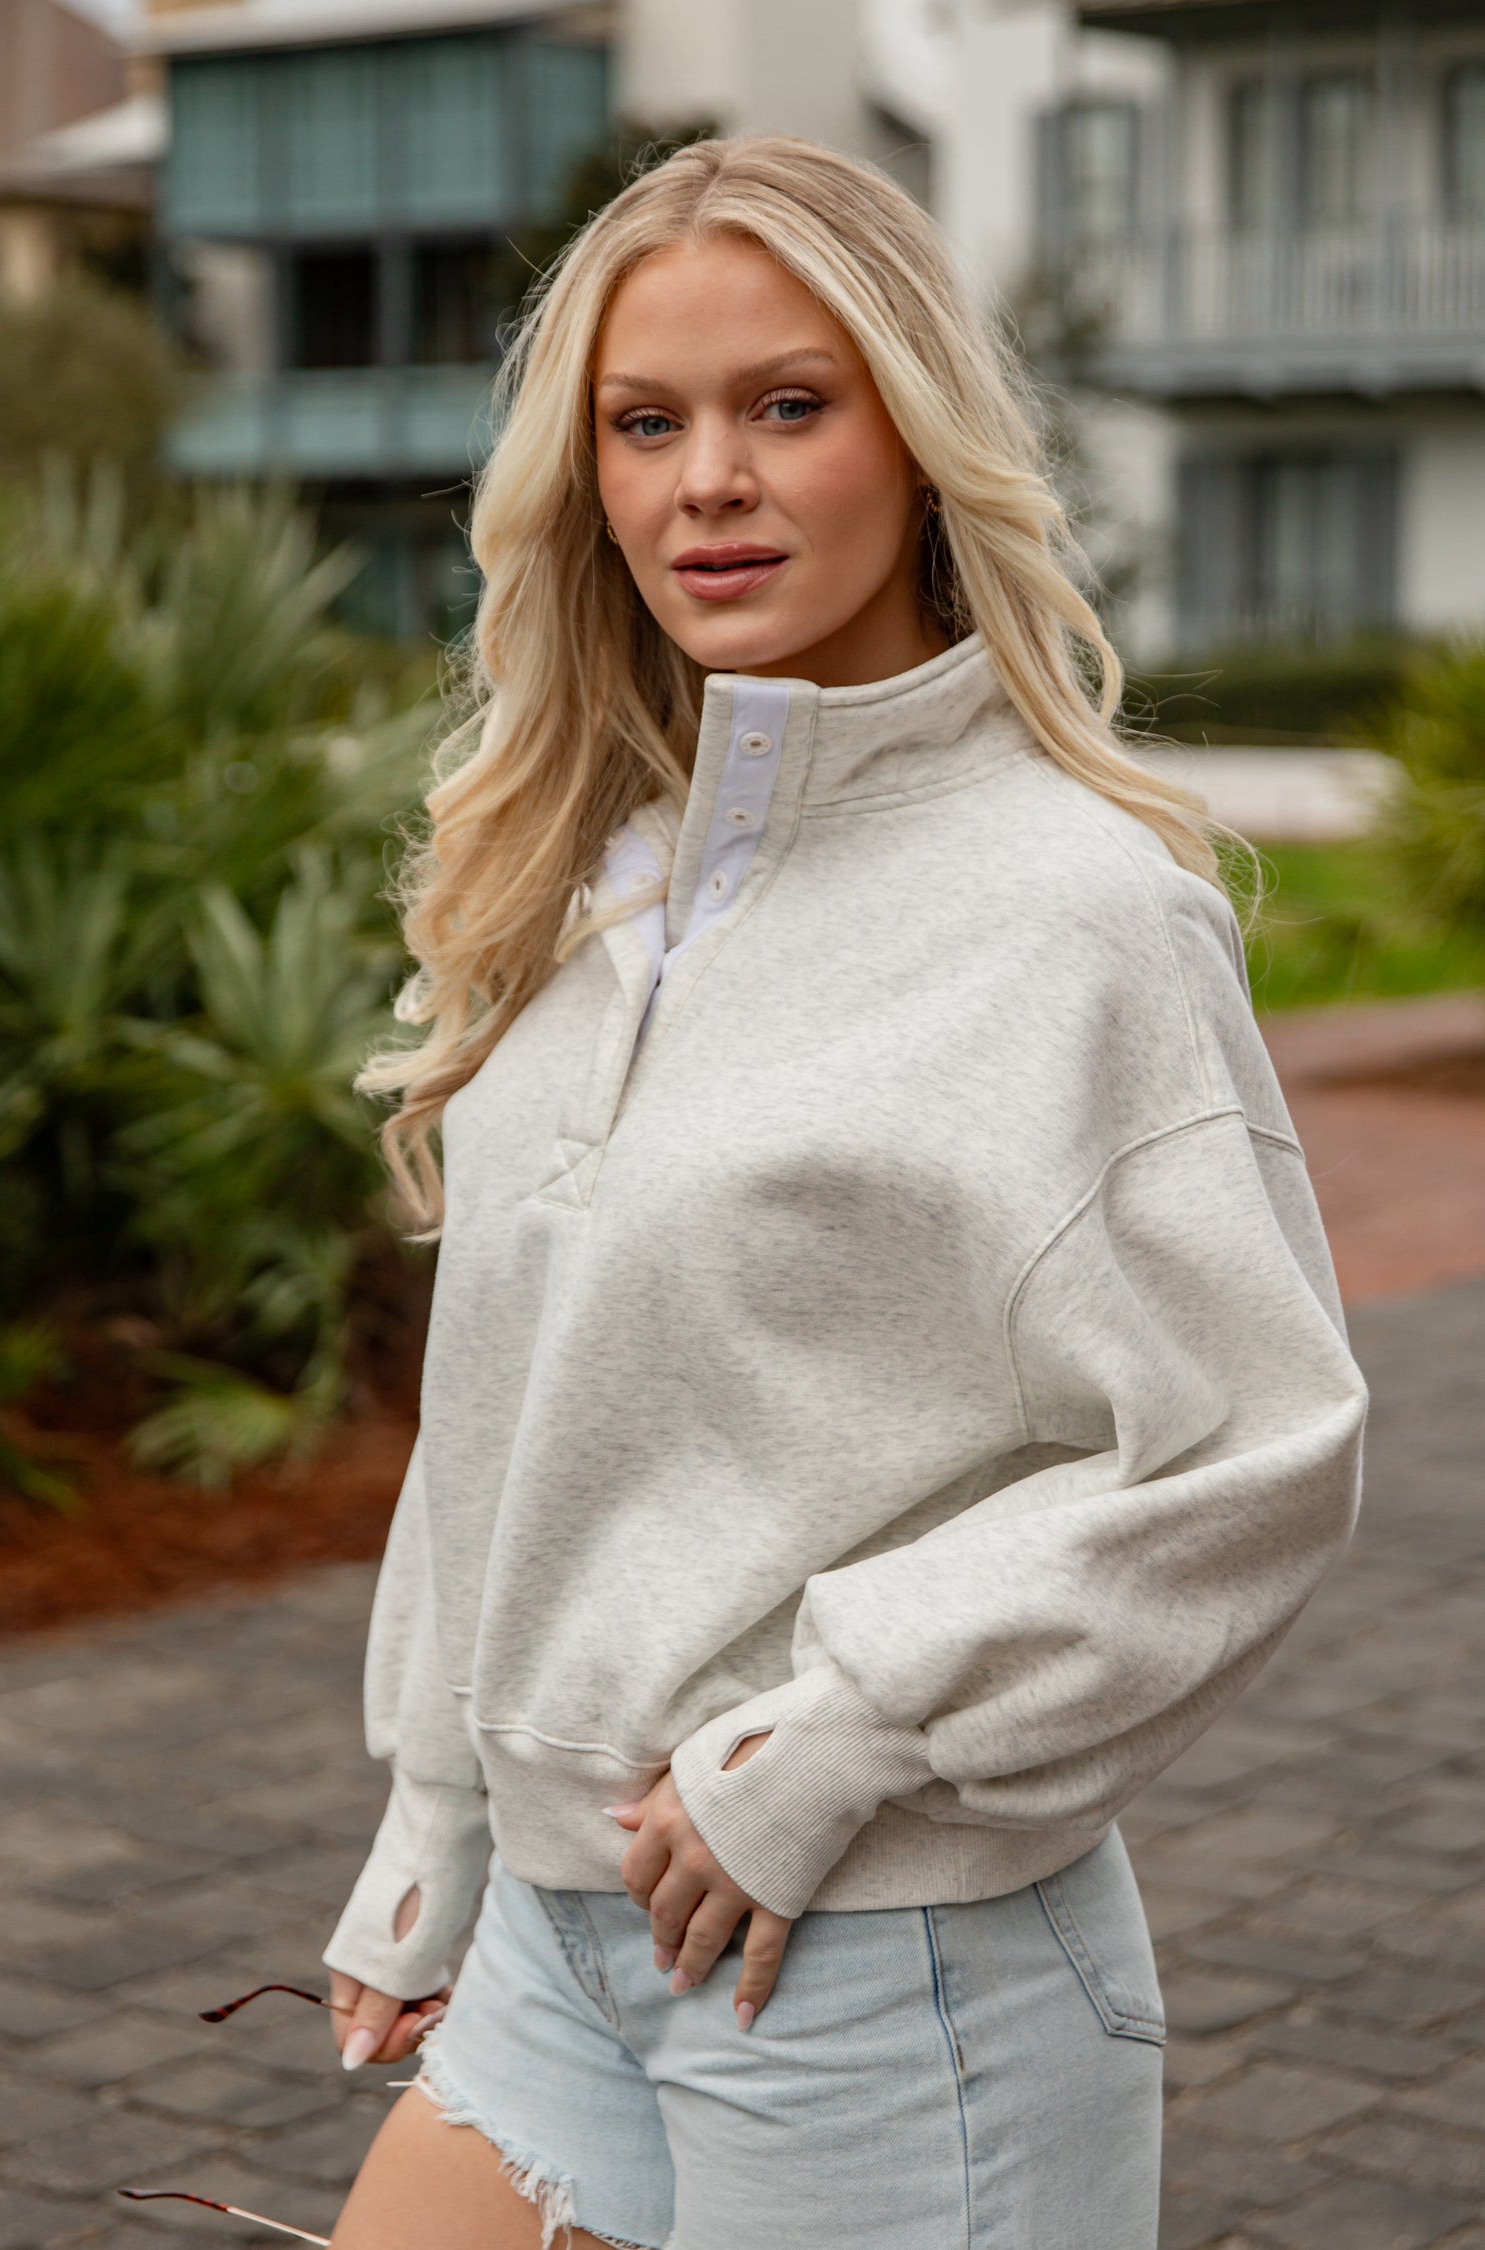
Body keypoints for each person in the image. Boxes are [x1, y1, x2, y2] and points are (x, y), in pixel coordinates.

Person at [321, 135, 1366, 2250]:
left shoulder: (1076, 918)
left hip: (882, 1963)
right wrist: (435, 1811)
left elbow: (1261, 1451)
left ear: (917, 434)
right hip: (551, 1930)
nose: (709, 476)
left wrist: (846, 1734)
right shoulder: (589, 884)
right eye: (647, 422)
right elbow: (504, 1402)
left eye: (787, 405)